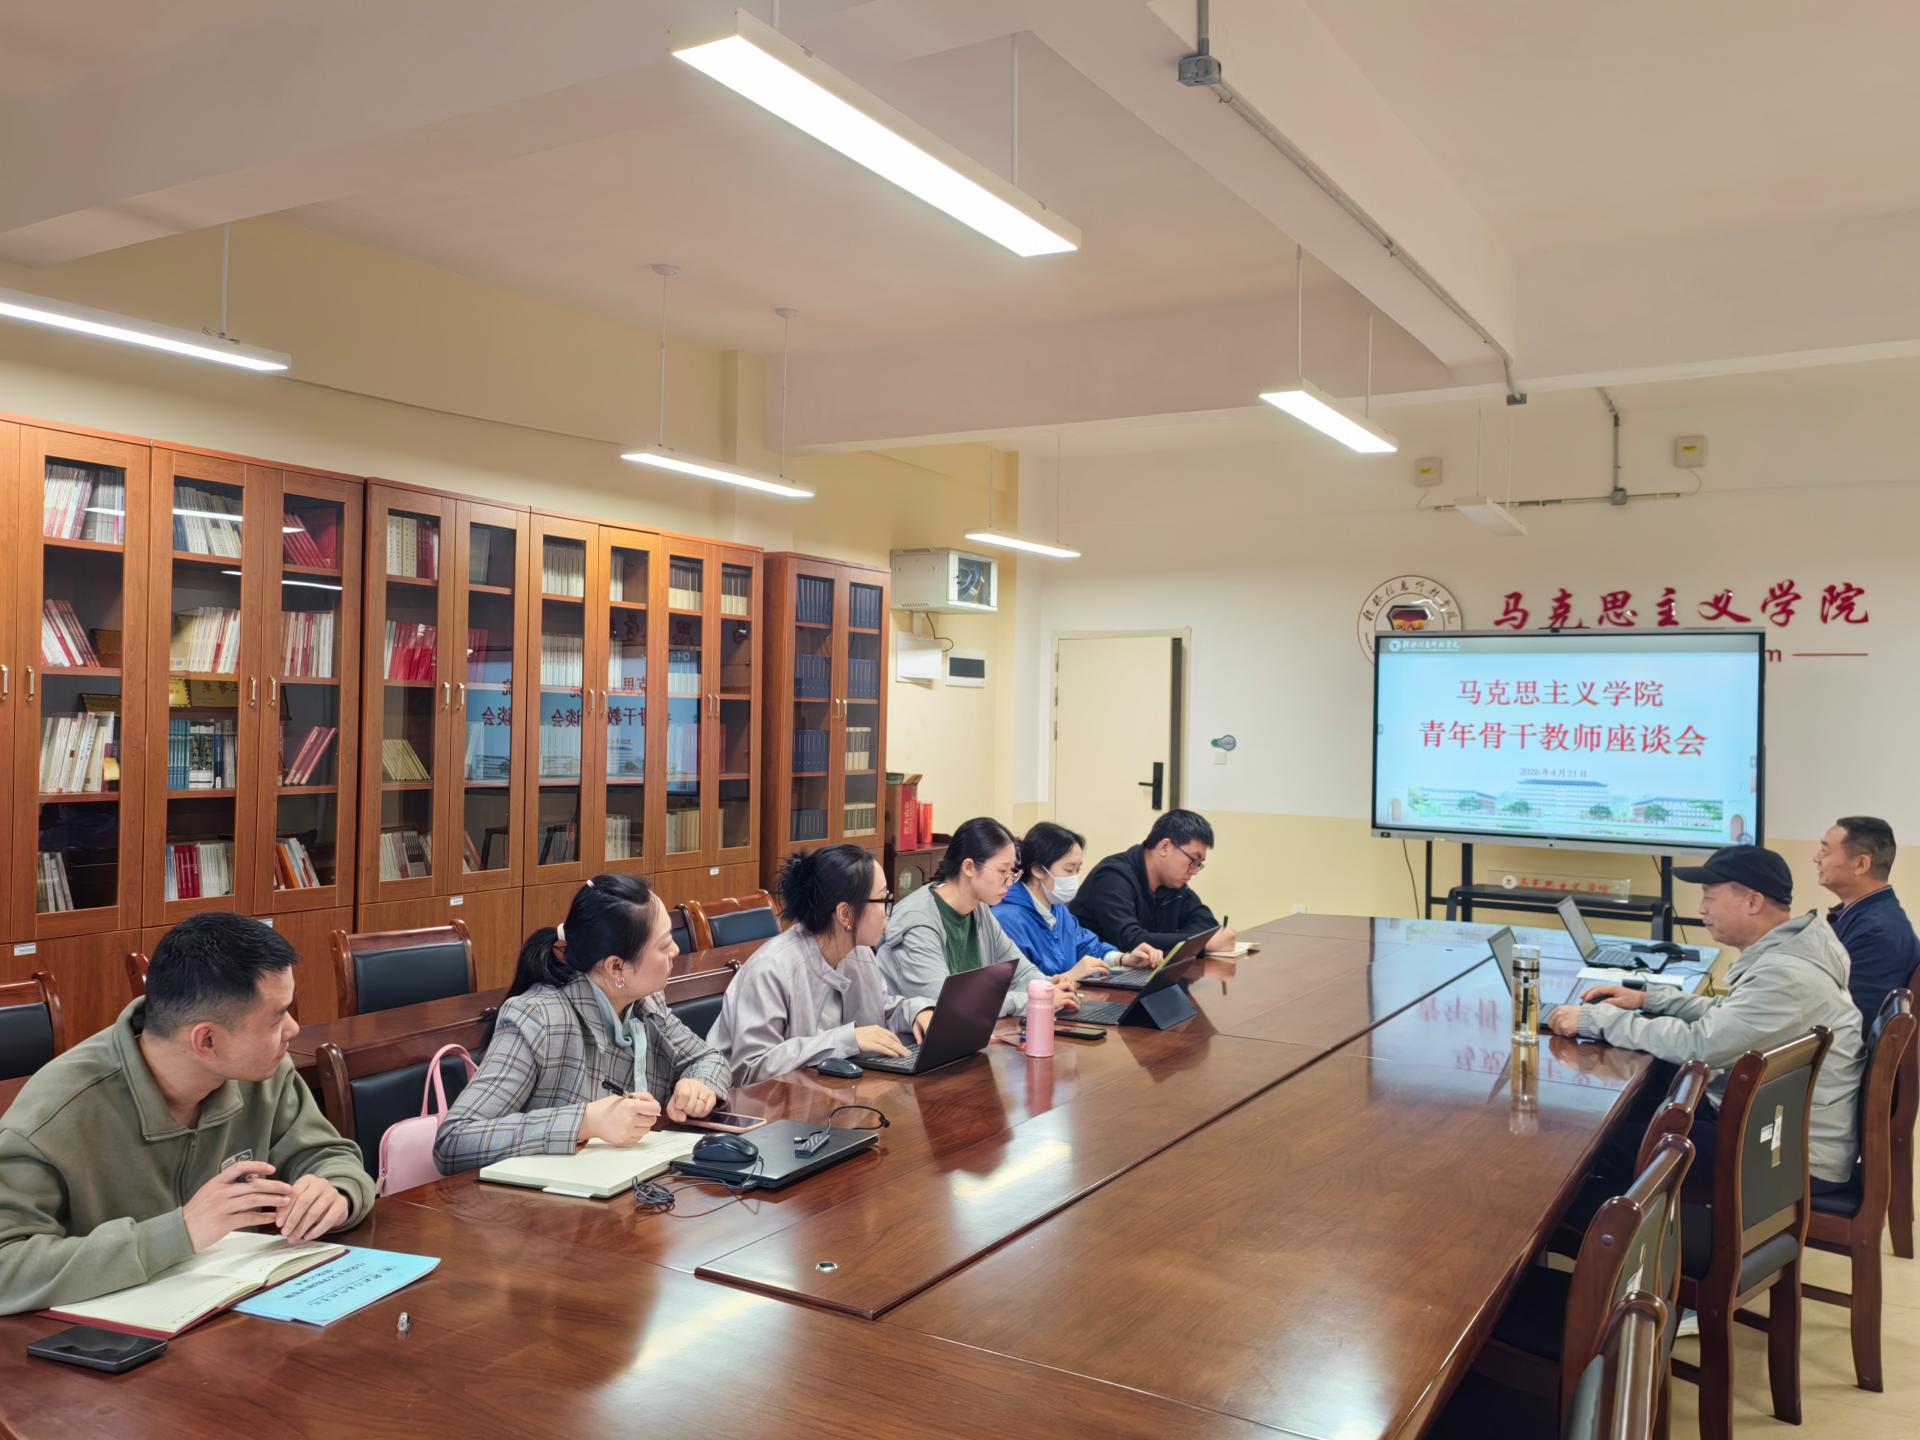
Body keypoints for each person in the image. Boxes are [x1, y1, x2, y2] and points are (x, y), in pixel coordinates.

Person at [0, 913, 373, 1315]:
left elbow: (328, 1155)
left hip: (235, 1318)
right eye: (277, 1016)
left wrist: (337, 1192)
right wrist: (180, 1232)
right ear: (206, 1040)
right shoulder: (55, 1115)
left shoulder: (264, 1073)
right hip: (100, 1340)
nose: (294, 1028)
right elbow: (7, 1267)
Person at [1547, 845, 1864, 1193]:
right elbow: (1730, 1015)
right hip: (1777, 1129)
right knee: (1643, 1108)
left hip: (1787, 1157)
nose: (1701, 908)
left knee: (1598, 1150)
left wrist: (1597, 1020)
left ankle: (1596, 1220)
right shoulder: (1791, 952)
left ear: (1753, 902)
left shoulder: (1786, 976)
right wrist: (1649, 999)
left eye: (1709, 897)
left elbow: (1701, 1045)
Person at [434, 874, 731, 1173]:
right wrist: (585, 1122)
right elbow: (454, 1139)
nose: (676, 951)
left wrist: (698, 1084)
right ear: (616, 967)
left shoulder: (645, 1003)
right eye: (664, 945)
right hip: (548, 1195)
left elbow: (708, 1058)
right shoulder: (538, 1018)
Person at [710, 845, 939, 1086]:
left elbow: (880, 1011)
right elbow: (751, 1068)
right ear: (845, 914)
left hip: (826, 1093)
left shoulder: (860, 953)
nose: (888, 912)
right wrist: (847, 1039)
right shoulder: (771, 968)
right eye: (884, 899)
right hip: (756, 1103)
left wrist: (916, 1012)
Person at [878, 816, 1080, 1018]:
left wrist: (1045, 985)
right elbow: (948, 1003)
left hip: (968, 1030)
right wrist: (1035, 999)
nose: (1009, 881)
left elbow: (1021, 971)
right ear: (969, 867)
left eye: (1012, 871)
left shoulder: (979, 908)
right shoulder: (917, 922)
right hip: (914, 1035)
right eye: (1002, 871)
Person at [994, 821, 1161, 980]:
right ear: (1038, 870)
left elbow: (1087, 946)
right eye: (1069, 870)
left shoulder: (1058, 909)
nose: (1074, 877)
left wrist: (1124, 959)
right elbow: (1019, 983)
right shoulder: (1008, 918)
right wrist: (1071, 976)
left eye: (1078, 869)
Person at [1070, 809, 1237, 956]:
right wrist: (1199, 945)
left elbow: (1206, 924)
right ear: (1165, 847)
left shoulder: (1172, 883)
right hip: (1095, 975)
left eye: (1199, 864)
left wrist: (1183, 942)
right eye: (1193, 860)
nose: (1193, 871)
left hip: (1141, 973)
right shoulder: (1112, 877)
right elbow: (1132, 941)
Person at [1815, 815, 1919, 1025]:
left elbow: (1848, 1018)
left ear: (1861, 864)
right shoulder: (1863, 916)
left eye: (1825, 851)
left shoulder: (1878, 931)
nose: (1816, 858)